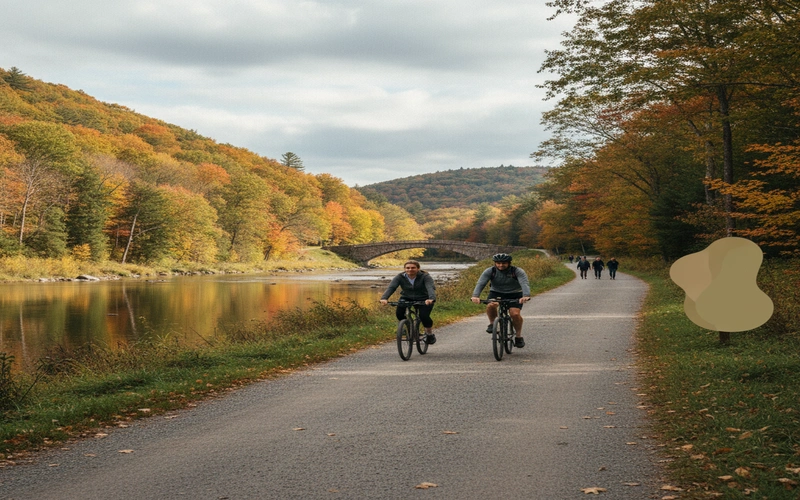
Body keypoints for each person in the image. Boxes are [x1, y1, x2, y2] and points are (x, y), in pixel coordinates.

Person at [470, 253, 531, 348]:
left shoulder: (517, 271)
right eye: (498, 263)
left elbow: (524, 283)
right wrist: (475, 296)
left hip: (514, 293)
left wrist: (526, 295)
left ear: (509, 263)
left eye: (504, 263)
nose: (501, 265)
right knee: (491, 305)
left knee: (515, 314)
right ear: (495, 263)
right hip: (496, 293)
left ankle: (518, 337)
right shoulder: (490, 271)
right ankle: (492, 323)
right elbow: (481, 283)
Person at [380, 260, 437, 344]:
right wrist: (384, 298)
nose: (410, 269)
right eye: (408, 268)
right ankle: (409, 330)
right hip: (406, 297)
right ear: (404, 269)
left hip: (424, 298)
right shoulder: (400, 277)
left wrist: (431, 299)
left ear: (418, 268)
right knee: (399, 313)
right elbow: (391, 287)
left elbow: (430, 288)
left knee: (424, 316)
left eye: (413, 268)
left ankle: (429, 334)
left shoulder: (425, 277)